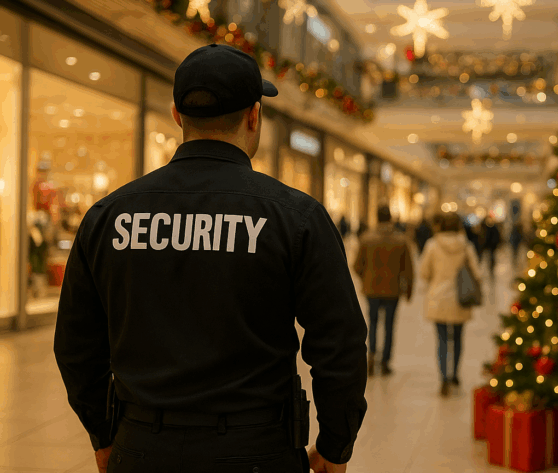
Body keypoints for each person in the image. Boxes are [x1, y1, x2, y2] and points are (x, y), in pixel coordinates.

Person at [53, 44, 367, 473]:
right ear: (254, 116)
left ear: (177, 116)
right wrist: (335, 444)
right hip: (257, 450)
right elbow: (340, 344)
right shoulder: (295, 218)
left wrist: (103, 433)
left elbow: (76, 346)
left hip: (142, 447)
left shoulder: (110, 216)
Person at [419, 212, 481, 396]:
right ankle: (454, 373)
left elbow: (424, 272)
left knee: (442, 339)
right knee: (458, 338)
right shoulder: (466, 246)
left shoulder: (432, 245)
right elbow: (477, 272)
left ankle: (444, 377)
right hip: (460, 298)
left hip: (438, 298)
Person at [353, 205, 414, 376]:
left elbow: (357, 265)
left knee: (372, 323)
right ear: (391, 218)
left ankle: (371, 356)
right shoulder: (401, 239)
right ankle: (385, 361)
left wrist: (366, 278)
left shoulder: (366, 238)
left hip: (372, 288)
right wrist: (408, 289)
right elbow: (408, 268)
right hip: (393, 289)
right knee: (389, 325)